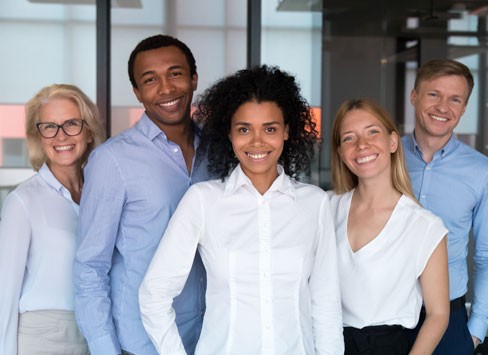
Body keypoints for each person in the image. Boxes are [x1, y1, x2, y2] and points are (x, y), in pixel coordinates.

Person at [139, 65, 344, 354]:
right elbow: (153, 294)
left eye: (270, 129)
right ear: (230, 134)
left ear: (286, 131)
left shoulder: (314, 203)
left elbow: (325, 304)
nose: (257, 141)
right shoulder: (203, 200)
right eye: (244, 129)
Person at [73, 34, 210, 355]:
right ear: (137, 91)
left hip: (210, 338)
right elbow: (90, 267)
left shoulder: (220, 152)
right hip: (141, 343)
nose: (166, 88)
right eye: (150, 80)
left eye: (175, 73)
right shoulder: (112, 161)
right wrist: (106, 349)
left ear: (193, 78)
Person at [329, 98, 450, 354]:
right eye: (349, 138)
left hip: (390, 346)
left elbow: (438, 314)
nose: (362, 145)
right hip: (328, 342)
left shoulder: (424, 226)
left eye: (372, 132)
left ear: (393, 142)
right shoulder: (326, 209)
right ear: (340, 152)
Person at [402, 58, 488, 354]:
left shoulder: (483, 172)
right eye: (434, 94)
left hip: (450, 320)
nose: (443, 107)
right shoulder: (385, 158)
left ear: (464, 108)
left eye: (454, 99)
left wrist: (476, 331)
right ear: (414, 96)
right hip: (386, 317)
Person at [0, 84, 105, 355]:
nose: (61, 136)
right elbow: (4, 295)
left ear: (89, 131)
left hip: (94, 333)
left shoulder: (103, 194)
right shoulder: (22, 202)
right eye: (49, 126)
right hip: (42, 339)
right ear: (39, 136)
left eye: (71, 123)